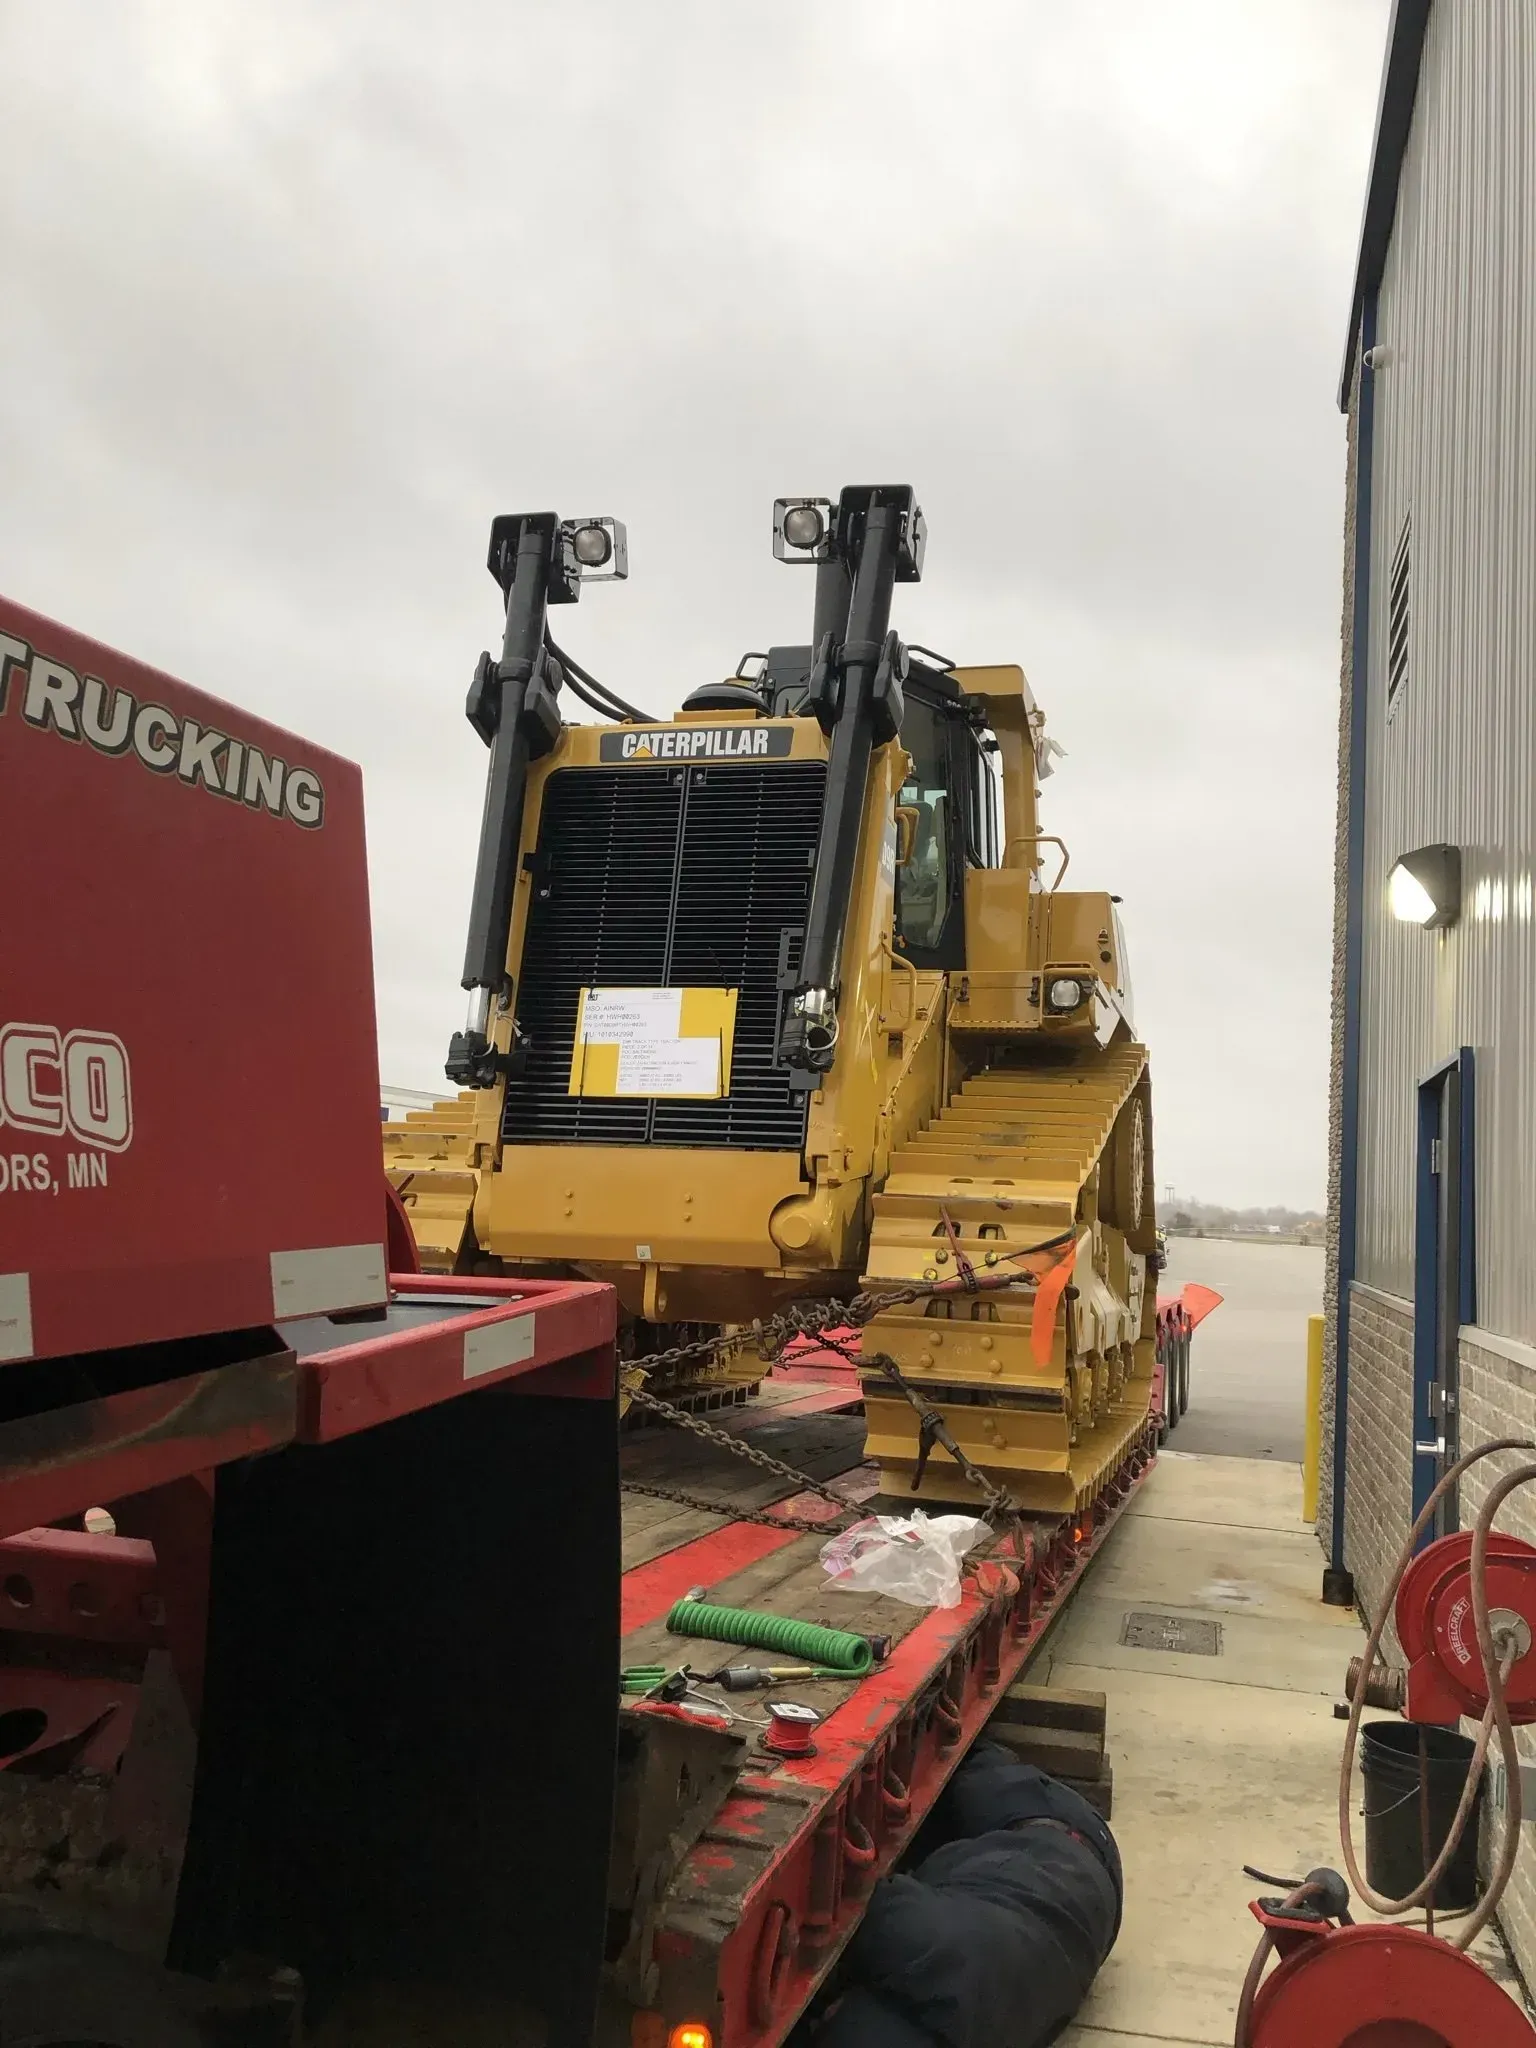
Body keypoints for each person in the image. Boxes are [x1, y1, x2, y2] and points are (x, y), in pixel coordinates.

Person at [803, 1742, 1123, 2048]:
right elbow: (848, 1897)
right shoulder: (924, 1945)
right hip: (1058, 1832)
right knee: (951, 1757)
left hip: (1090, 1902)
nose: (826, 2013)